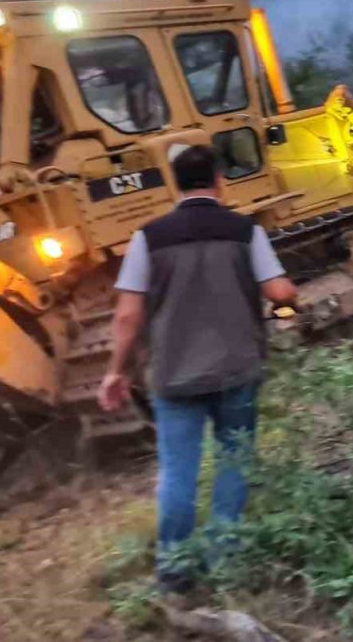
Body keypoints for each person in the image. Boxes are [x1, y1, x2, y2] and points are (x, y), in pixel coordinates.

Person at [97, 144, 297, 592]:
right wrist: (292, 295)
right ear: (219, 180)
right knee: (233, 462)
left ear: (174, 184)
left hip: (174, 376)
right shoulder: (245, 232)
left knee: (177, 471)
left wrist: (115, 371)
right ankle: (224, 558)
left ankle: (175, 569)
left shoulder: (147, 238)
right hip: (237, 370)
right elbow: (279, 292)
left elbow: (128, 315)